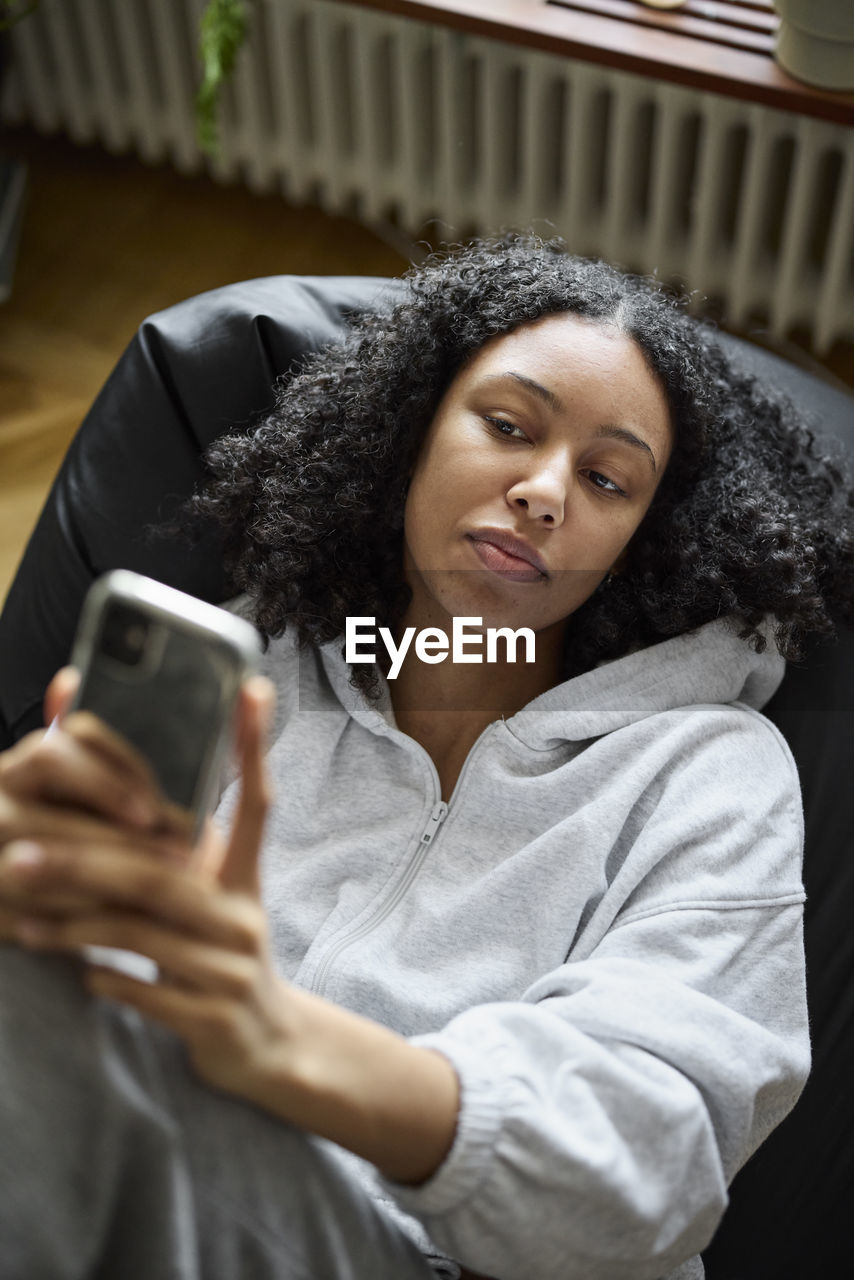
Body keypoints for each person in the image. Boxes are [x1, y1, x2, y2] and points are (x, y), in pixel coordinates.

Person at [0, 236, 852, 1280]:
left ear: (643, 537)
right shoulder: (250, 666)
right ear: (409, 434)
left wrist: (274, 1036)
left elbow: (650, 1165)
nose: (544, 491)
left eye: (606, 478)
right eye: (505, 425)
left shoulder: (708, 772)